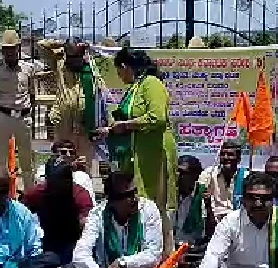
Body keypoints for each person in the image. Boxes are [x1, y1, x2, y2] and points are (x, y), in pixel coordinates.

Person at [65, 171, 188, 268]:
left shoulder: (148, 209)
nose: (135, 198)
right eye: (128, 195)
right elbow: (81, 254)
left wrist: (123, 264)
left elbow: (153, 254)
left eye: (135, 192)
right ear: (112, 201)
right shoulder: (97, 215)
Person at [97, 48, 178, 251]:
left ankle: (166, 256)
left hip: (156, 151)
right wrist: (110, 130)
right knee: (143, 202)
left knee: (156, 204)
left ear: (125, 67)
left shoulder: (151, 83)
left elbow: (157, 117)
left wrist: (125, 126)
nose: (119, 77)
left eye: (119, 72)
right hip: (141, 151)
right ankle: (148, 252)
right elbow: (127, 119)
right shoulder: (136, 87)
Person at [41, 39, 109, 169]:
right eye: (71, 56)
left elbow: (101, 95)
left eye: (77, 56)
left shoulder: (91, 69)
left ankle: (82, 187)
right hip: (64, 125)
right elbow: (42, 46)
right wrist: (61, 44)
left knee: (85, 164)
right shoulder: (60, 64)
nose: (74, 60)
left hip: (85, 126)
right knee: (62, 164)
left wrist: (86, 47)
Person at [22, 157, 94, 267]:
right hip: (46, 241)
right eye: (55, 180)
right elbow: (20, 215)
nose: (60, 184)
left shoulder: (80, 196)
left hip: (74, 242)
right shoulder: (38, 193)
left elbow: (88, 228)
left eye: (64, 179)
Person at [0, 29, 36, 189]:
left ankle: (30, 195)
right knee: (1, 160)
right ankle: (2, 193)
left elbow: (32, 94)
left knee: (26, 160)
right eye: (5, 49)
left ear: (18, 48)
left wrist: (29, 114)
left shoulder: (28, 69)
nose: (9, 52)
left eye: (12, 48)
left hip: (23, 117)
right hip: (3, 115)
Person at [172, 155, 215, 268]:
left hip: (193, 249)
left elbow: (211, 231)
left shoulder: (203, 195)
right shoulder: (169, 194)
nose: (178, 176)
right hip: (171, 247)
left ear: (195, 176)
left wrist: (208, 207)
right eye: (176, 172)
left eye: (183, 173)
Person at [198, 140, 247, 222]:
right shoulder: (208, 174)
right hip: (213, 220)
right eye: (223, 154)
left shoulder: (245, 177)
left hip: (237, 221)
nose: (226, 157)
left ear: (238, 159)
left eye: (230, 155)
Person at [34, 139, 95, 203]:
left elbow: (90, 199)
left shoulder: (82, 175)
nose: (68, 155)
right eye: (63, 152)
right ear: (54, 155)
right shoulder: (43, 170)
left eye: (71, 152)